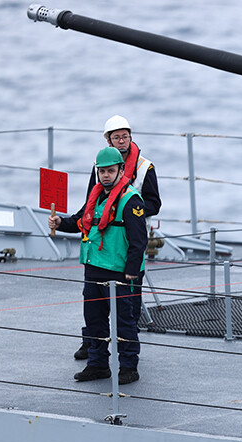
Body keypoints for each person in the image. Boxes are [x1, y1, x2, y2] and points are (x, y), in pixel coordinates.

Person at [49, 147, 147, 385]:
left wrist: (131, 272)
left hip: (120, 271)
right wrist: (60, 222)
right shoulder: (97, 196)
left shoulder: (130, 200)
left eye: (110, 171)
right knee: (94, 318)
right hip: (94, 267)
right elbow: (80, 221)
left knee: (124, 321)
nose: (105, 175)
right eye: (101, 171)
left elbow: (139, 241)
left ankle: (128, 367)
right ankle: (98, 364)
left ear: (120, 171)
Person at [73, 115, 162, 360]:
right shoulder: (100, 167)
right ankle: (91, 345)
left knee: (128, 307)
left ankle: (128, 356)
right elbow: (92, 201)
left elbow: (154, 202)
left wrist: (127, 210)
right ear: (108, 141)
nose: (121, 141)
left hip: (128, 239)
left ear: (131, 137)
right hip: (101, 245)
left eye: (125, 136)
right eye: (116, 137)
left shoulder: (145, 167)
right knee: (93, 305)